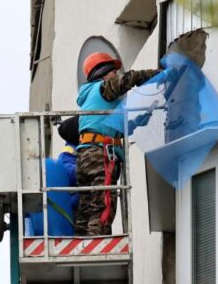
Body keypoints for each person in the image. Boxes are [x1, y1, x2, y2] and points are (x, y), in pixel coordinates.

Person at [74, 51, 163, 236]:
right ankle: (95, 247)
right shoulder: (103, 88)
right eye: (113, 71)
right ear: (103, 72)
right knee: (103, 206)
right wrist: (160, 74)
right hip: (100, 154)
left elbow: (121, 128)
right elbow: (130, 79)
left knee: (86, 208)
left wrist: (145, 115)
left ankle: (81, 242)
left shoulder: (91, 98)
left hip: (84, 155)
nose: (116, 74)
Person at [25, 116, 79, 237]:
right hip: (74, 208)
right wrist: (84, 169)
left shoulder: (76, 151)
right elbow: (68, 173)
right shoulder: (69, 153)